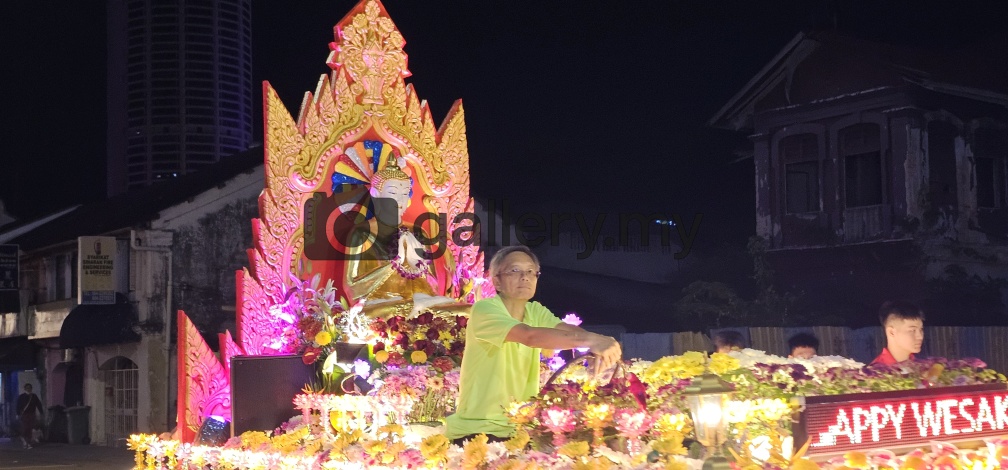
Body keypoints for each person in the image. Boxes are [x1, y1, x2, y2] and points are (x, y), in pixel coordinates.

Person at [444, 246, 622, 446]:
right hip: (479, 431)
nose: (525, 277)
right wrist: (593, 341)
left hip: (520, 429)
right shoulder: (485, 309)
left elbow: (566, 331)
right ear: (497, 281)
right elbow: (529, 336)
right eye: (515, 271)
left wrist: (602, 344)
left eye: (531, 272)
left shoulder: (535, 311)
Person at [342, 158, 469, 319]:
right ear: (375, 194)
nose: (399, 200)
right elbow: (351, 287)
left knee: (469, 311)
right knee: (395, 311)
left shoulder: (417, 231)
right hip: (382, 305)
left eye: (404, 193)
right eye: (393, 193)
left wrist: (417, 265)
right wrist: (397, 261)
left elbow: (433, 286)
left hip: (421, 304)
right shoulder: (362, 232)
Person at [871, 300, 924, 366]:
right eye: (912, 330)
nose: (920, 336)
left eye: (921, 329)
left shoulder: (921, 367)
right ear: (891, 332)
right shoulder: (876, 372)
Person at [16, 383, 43, 449]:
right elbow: (18, 406)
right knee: (26, 427)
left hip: (32, 414)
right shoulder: (21, 397)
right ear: (25, 389)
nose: (29, 389)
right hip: (25, 415)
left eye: (30, 388)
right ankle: (24, 439)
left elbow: (38, 404)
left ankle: (28, 443)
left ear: (31, 389)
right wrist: (17, 414)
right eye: (27, 388)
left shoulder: (34, 396)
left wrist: (41, 412)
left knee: (30, 428)